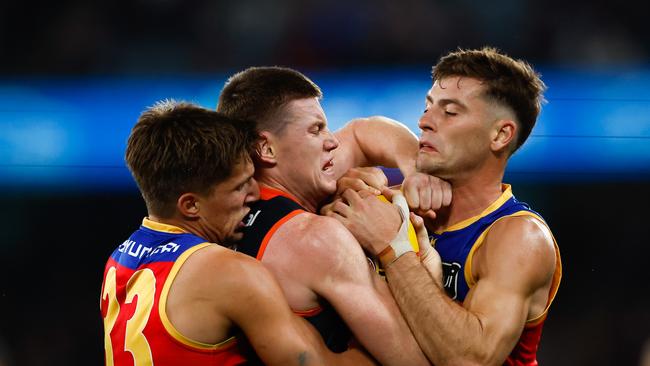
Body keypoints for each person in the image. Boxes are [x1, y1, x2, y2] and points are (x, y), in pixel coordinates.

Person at [328, 47, 562, 365]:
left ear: (500, 134)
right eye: (428, 107)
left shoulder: (518, 237)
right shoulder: (392, 202)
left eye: (450, 112)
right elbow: (357, 133)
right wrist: (339, 197)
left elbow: (472, 360)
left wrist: (393, 251)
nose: (424, 121)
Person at [99, 100, 373, 366]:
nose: (255, 194)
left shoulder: (119, 260)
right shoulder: (229, 272)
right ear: (191, 204)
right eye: (240, 186)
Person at [216, 67, 431, 365]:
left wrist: (419, 172)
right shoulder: (313, 238)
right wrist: (406, 253)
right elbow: (415, 360)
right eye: (315, 130)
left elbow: (361, 132)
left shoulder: (221, 209)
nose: (332, 142)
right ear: (266, 148)